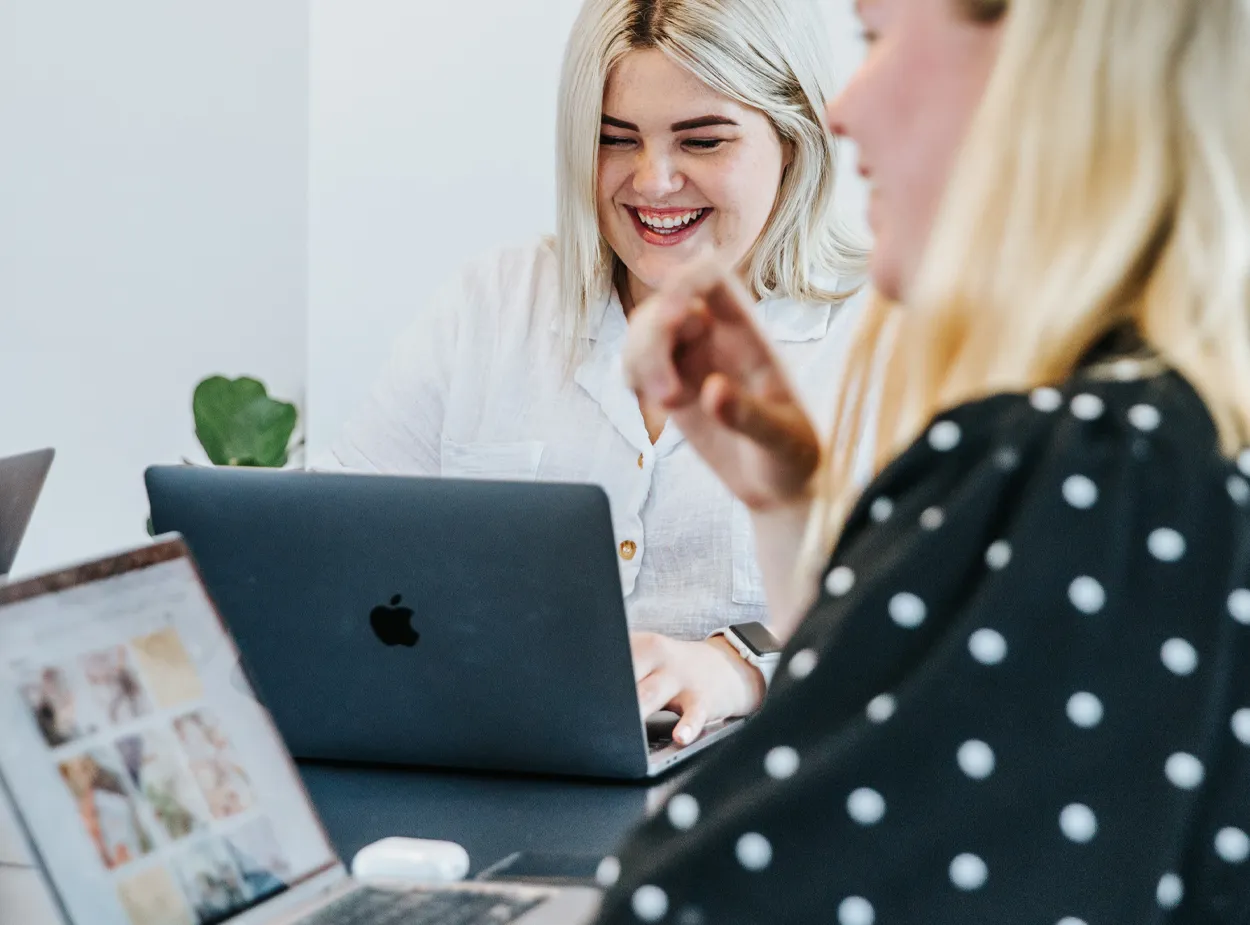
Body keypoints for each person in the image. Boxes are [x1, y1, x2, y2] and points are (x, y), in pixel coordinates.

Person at [596, 0, 1250, 921]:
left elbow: (688, 904)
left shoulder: (1081, 468)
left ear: (1037, 72)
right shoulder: (1176, 444)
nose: (840, 110)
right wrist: (786, 509)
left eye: (879, 38)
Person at [325, 0, 877, 743]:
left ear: (794, 140)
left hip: (750, 797)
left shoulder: (881, 337)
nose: (653, 182)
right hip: (490, 770)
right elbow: (332, 535)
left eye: (703, 141)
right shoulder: (491, 307)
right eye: (615, 140)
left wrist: (742, 665)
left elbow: (924, 615)